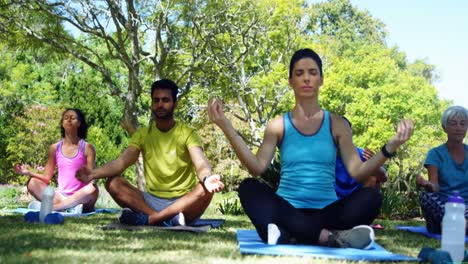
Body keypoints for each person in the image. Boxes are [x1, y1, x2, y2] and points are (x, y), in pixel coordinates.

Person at [208, 48, 413, 248]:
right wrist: (226, 126)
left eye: (313, 73)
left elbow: (358, 173)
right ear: (291, 81)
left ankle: (289, 234)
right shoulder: (278, 125)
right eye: (299, 73)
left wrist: (389, 147)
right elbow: (257, 168)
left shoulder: (338, 124)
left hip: (328, 212)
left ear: (321, 80)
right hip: (286, 207)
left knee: (372, 197)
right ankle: (328, 237)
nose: (306, 78)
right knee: (249, 187)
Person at [76, 79, 224, 226]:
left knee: (205, 189)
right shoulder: (143, 134)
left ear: (175, 103)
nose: (160, 104)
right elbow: (121, 163)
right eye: (156, 100)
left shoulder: (187, 133)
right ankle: (163, 219)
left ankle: (151, 220)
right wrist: (92, 174)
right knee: (114, 183)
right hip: (150, 202)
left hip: (183, 203)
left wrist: (206, 179)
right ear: (152, 104)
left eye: (165, 100)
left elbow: (201, 163)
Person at [14, 108, 99, 213]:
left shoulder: (87, 148)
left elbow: (92, 177)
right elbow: (46, 177)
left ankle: (51, 208)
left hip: (81, 196)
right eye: (66, 118)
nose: (68, 120)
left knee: (92, 188)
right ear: (62, 124)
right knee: (32, 182)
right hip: (60, 196)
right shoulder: (54, 148)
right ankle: (69, 207)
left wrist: (90, 180)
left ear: (79, 123)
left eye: (72, 118)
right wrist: (28, 172)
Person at [416, 105, 468, 234]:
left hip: (465, 209)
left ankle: (456, 225)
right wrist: (427, 184)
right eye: (453, 124)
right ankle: (453, 225)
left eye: (463, 124)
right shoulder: (435, 154)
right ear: (445, 127)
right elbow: (435, 186)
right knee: (426, 196)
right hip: (443, 208)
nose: (458, 128)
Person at [335, 117, 388, 199]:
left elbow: (383, 177)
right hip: (331, 202)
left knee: (373, 178)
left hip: (356, 201)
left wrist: (374, 164)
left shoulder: (361, 154)